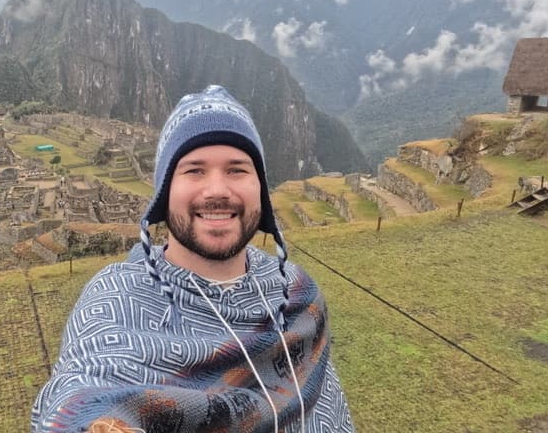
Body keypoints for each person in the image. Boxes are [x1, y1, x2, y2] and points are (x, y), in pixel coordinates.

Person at [32, 85, 354, 432]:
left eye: (237, 170)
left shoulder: (296, 294)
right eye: (194, 170)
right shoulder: (116, 299)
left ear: (260, 188)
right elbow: (81, 392)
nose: (217, 190)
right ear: (164, 192)